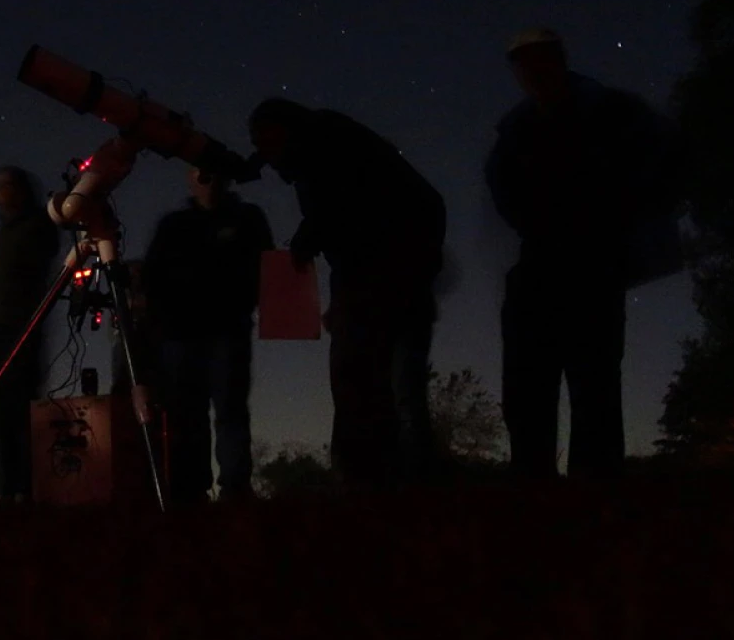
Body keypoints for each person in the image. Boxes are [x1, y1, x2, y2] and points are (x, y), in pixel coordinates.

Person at [485, 27, 679, 480]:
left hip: (594, 262)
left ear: (559, 59)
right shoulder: (516, 128)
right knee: (527, 385)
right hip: (539, 263)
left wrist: (614, 219)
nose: (532, 70)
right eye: (522, 63)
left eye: (541, 59)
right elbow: (502, 186)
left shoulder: (610, 111)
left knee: (593, 383)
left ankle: (594, 491)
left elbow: (662, 163)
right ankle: (535, 483)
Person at [248, 98, 448, 491]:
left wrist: (311, 238)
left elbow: (342, 205)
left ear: (283, 132)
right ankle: (410, 488)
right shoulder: (330, 143)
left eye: (267, 146)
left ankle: (371, 483)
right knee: (396, 386)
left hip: (384, 275)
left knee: (362, 381)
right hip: (393, 275)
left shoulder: (324, 148)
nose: (271, 162)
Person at [142, 166, 275, 505]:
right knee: (188, 415)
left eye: (214, 172)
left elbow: (270, 267)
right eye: (202, 173)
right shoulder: (173, 225)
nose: (209, 179)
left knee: (230, 409)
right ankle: (192, 490)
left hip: (227, 330)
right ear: (190, 178)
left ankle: (235, 487)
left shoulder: (247, 218)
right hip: (179, 334)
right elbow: (152, 278)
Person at [0, 165, 63, 505]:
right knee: (0, 415)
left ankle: (23, 490)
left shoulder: (37, 225)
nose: (0, 192)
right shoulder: (4, 231)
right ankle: (6, 491)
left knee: (19, 413)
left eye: (7, 185)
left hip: (20, 329)